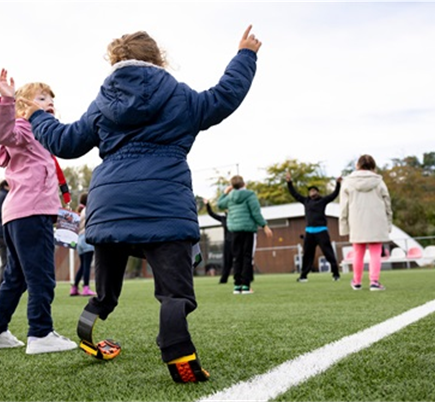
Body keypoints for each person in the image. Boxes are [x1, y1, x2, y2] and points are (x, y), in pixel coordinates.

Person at [23, 26, 262, 382]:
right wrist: (245, 55)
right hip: (165, 207)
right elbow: (224, 96)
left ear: (116, 61)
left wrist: (37, 116)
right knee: (174, 293)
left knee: (106, 290)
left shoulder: (102, 104)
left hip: (109, 209)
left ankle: (90, 323)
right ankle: (178, 352)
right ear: (158, 58)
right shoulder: (180, 96)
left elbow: (66, 141)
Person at [0, 69, 78, 355]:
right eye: (42, 97)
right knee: (42, 276)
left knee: (16, 278)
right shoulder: (23, 128)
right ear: (24, 105)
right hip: (29, 214)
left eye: (51, 98)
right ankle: (41, 333)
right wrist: (6, 100)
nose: (50, 102)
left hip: (21, 214)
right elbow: (2, 132)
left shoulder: (42, 136)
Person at [339, 154, 392, 291]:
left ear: (358, 165)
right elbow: (387, 204)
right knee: (375, 251)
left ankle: (356, 282)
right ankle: (374, 282)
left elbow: (343, 207)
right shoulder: (379, 182)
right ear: (373, 166)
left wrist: (344, 227)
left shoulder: (348, 182)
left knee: (358, 252)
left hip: (356, 220)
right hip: (376, 220)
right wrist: (389, 223)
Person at [217, 175, 273, 295]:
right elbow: (255, 213)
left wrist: (224, 192)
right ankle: (246, 286)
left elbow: (220, 205)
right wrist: (264, 225)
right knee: (247, 257)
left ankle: (237, 286)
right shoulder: (250, 195)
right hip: (247, 229)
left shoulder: (230, 197)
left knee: (237, 258)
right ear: (244, 184)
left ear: (232, 186)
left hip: (234, 230)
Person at [285, 172, 342, 282]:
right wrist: (289, 182)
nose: (312, 192)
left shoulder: (323, 200)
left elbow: (334, 194)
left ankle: (336, 274)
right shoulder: (306, 201)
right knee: (307, 255)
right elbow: (294, 194)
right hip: (309, 232)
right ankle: (303, 276)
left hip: (322, 231)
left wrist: (338, 184)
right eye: (310, 191)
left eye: (314, 190)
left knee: (328, 253)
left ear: (317, 192)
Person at [71, 192, 96, 297]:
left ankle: (74, 288)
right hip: (86, 238)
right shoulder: (88, 210)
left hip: (79, 240)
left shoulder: (78, 212)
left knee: (82, 265)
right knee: (87, 265)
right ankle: (86, 287)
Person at [203, 199, 233, 284]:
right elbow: (212, 214)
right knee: (227, 261)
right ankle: (224, 279)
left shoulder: (236, 218)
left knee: (239, 260)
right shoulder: (223, 219)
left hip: (237, 241)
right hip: (228, 242)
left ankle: (243, 278)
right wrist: (207, 205)